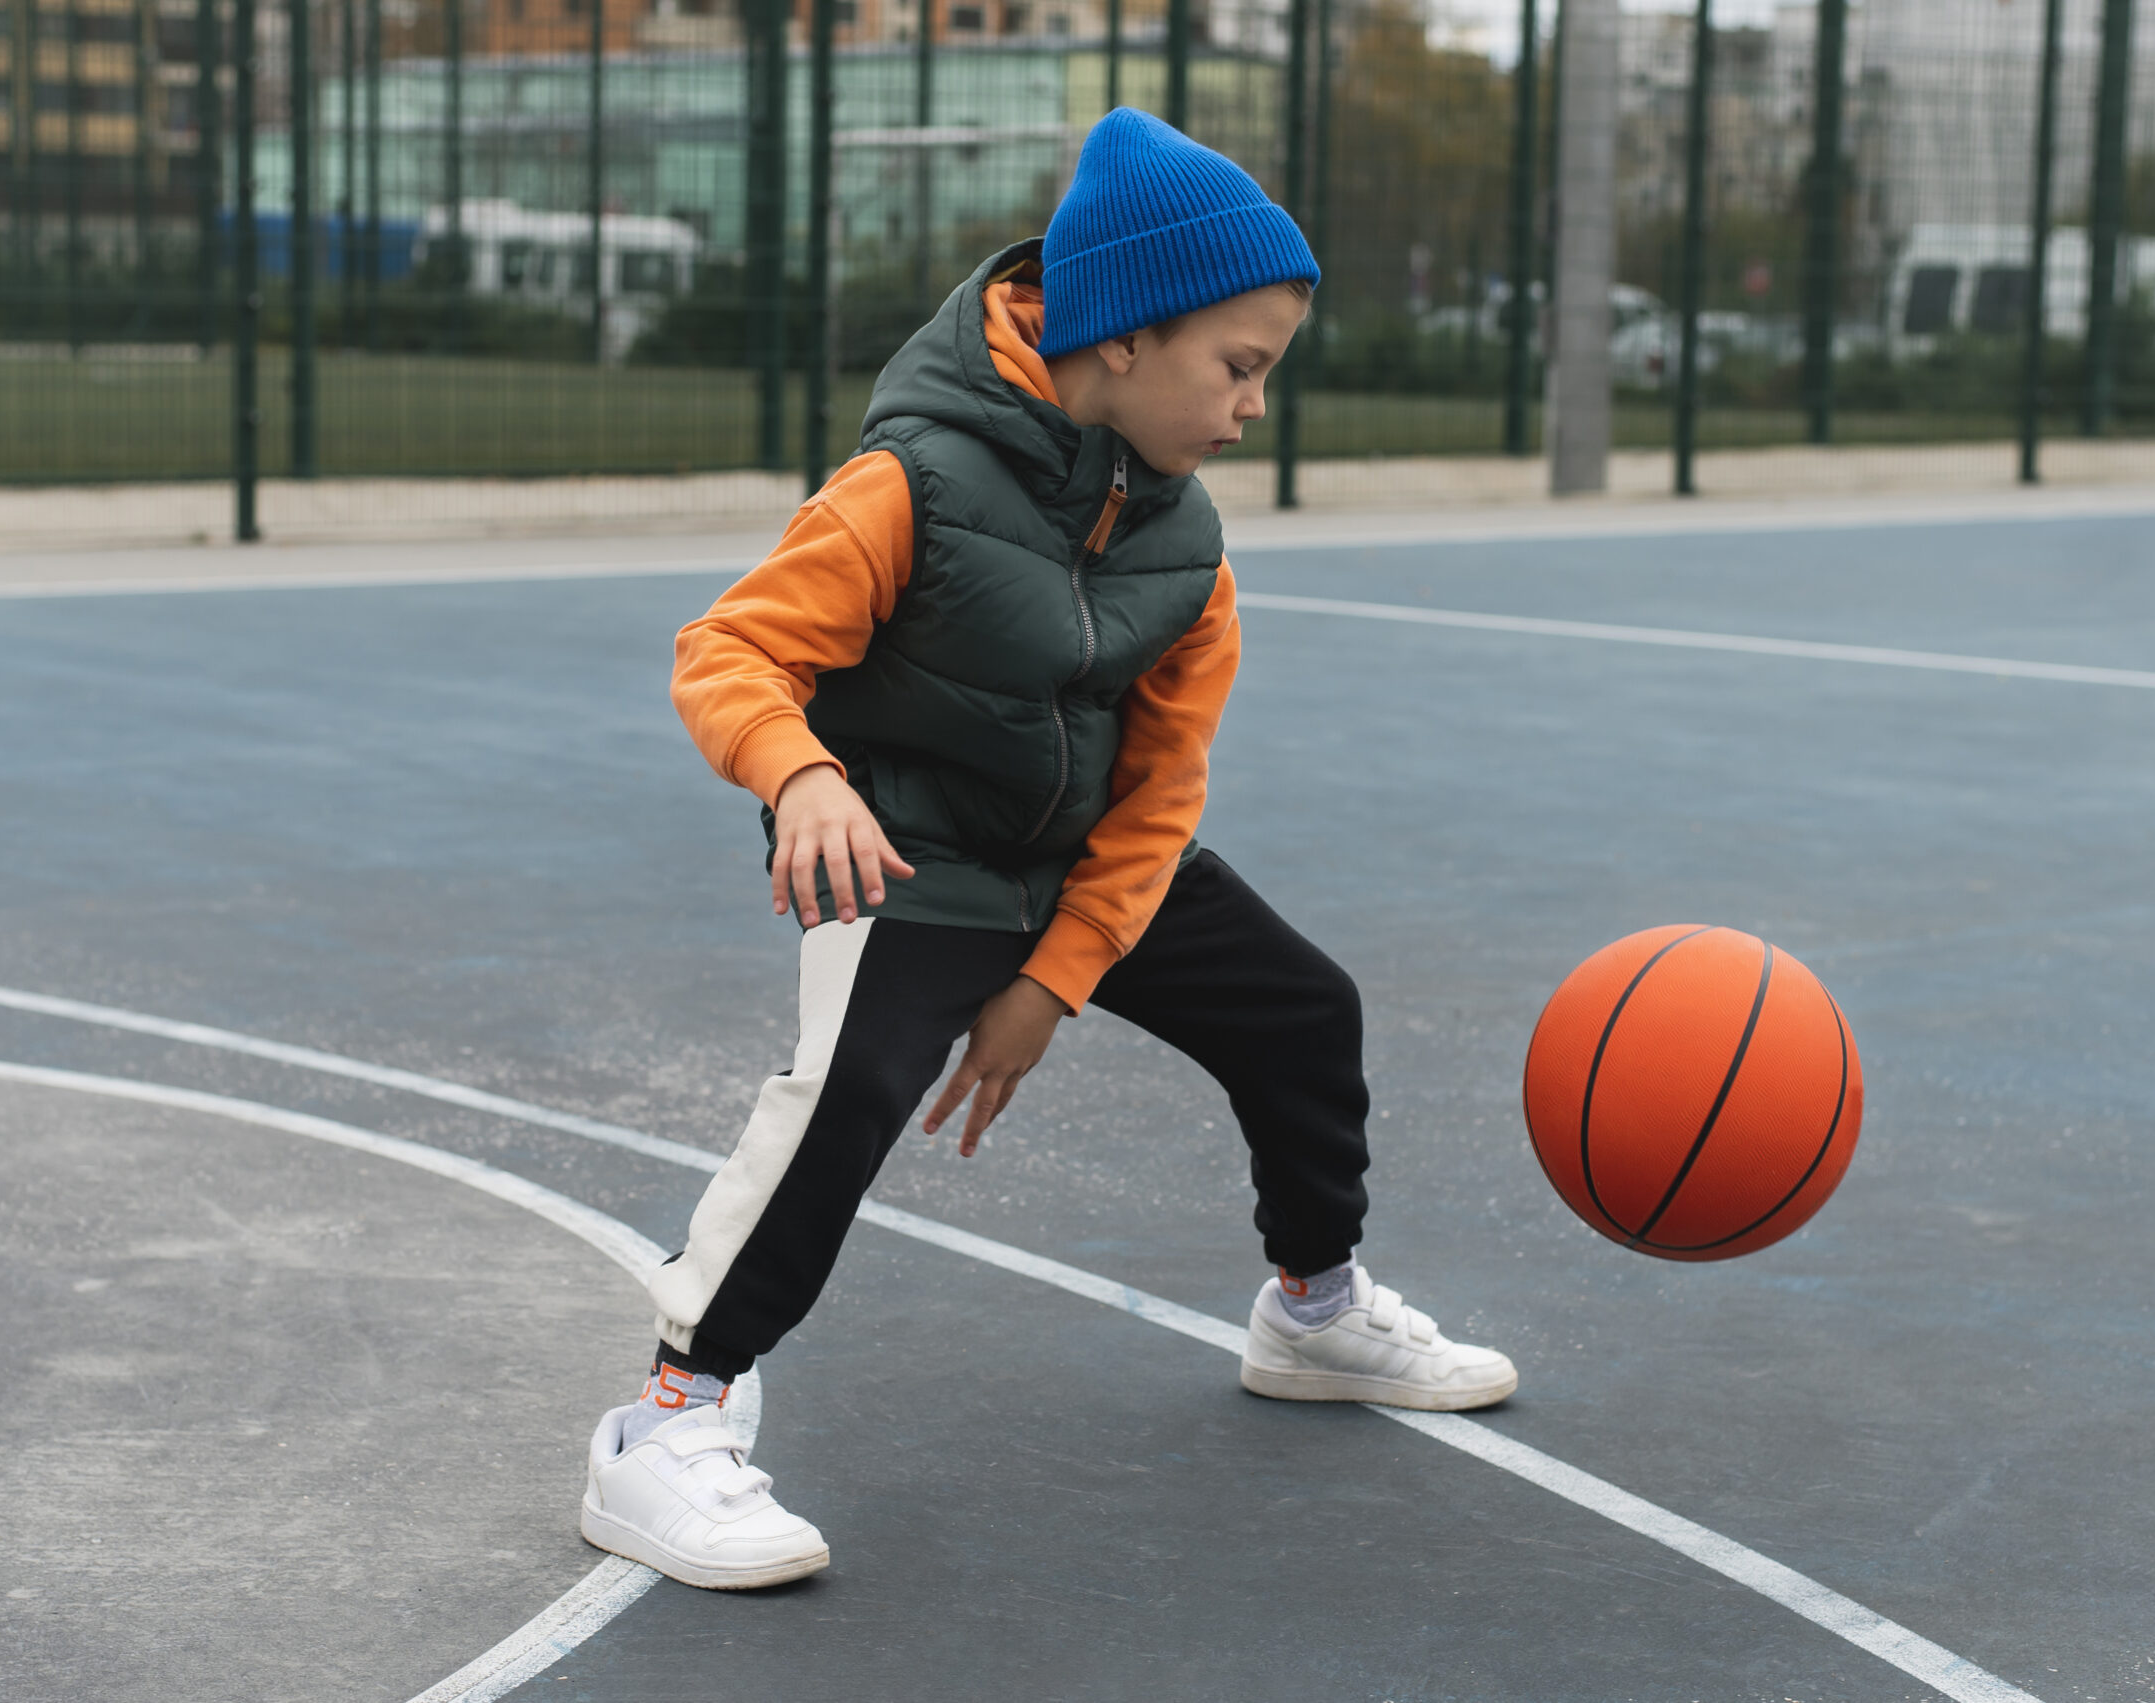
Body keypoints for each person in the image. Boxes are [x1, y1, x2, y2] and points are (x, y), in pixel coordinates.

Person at [579, 108, 1517, 1592]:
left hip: (1080, 860)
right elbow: (730, 651)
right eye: (1241, 366)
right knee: (852, 1088)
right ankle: (668, 1422)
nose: (1254, 407)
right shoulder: (913, 484)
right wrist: (807, 778)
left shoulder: (1186, 549)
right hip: (914, 851)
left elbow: (1159, 795)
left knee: (1302, 1009)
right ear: (1128, 338)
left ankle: (1314, 1308)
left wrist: (1056, 978)